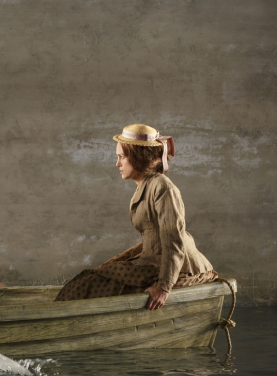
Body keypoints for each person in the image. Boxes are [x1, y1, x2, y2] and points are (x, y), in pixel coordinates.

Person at [55, 124, 217, 310]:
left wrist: (164, 287)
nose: (117, 164)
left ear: (139, 156)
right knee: (87, 279)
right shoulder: (146, 186)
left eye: (122, 157)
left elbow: (174, 241)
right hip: (152, 260)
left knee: (88, 285)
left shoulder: (162, 187)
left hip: (177, 267)